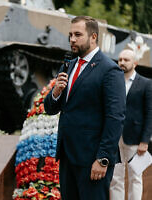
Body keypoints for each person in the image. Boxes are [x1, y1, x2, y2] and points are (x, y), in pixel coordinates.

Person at [44, 16, 126, 200]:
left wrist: (103, 159)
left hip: (92, 160)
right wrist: (56, 91)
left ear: (93, 37)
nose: (72, 39)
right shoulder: (68, 65)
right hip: (67, 156)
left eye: (78, 35)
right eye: (70, 34)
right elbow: (50, 108)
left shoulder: (110, 70)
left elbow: (116, 117)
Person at [109, 49, 152, 200]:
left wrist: (145, 141)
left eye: (126, 60)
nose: (122, 62)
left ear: (135, 63)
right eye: (120, 59)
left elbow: (149, 113)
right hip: (114, 137)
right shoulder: (113, 81)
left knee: (135, 176)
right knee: (115, 177)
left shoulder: (146, 83)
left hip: (134, 138)